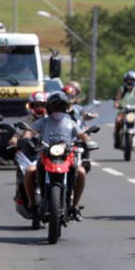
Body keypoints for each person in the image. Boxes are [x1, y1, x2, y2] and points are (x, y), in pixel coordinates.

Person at [22, 91, 91, 221]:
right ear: (49, 108)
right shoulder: (43, 121)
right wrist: (26, 139)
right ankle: (32, 204)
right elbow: (30, 132)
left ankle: (74, 206)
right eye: (55, 107)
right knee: (29, 171)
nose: (57, 110)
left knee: (81, 172)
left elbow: (82, 134)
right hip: (46, 155)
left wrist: (88, 141)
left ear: (65, 108)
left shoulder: (70, 122)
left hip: (67, 156)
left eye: (61, 107)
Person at [114, 70, 135, 149]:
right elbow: (117, 100)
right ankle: (117, 140)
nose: (130, 82)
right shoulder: (122, 89)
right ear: (125, 80)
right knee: (118, 121)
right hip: (123, 112)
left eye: (132, 80)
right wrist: (117, 104)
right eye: (128, 80)